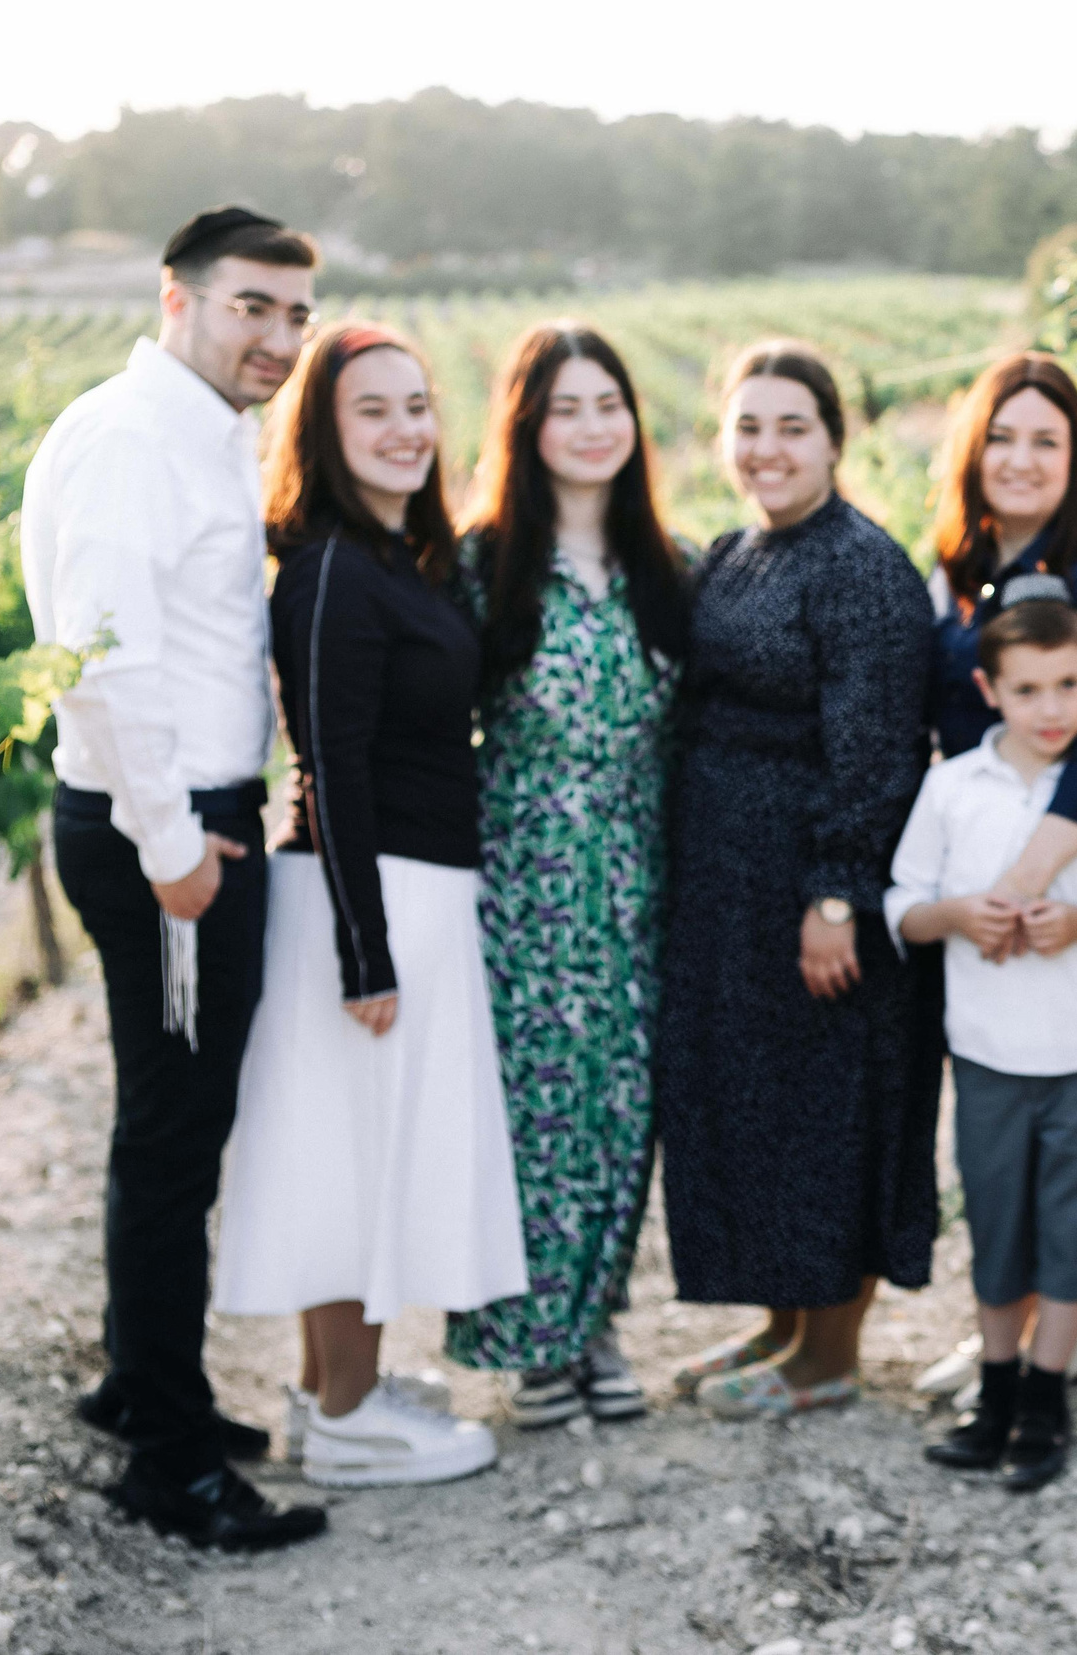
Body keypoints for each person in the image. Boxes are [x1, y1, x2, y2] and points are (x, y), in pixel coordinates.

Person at [21, 206, 327, 1548]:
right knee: (174, 1139)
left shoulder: (197, 431)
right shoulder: (139, 438)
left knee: (164, 1123)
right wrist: (172, 851)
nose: (276, 337)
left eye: (294, 315)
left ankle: (146, 1384)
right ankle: (173, 1462)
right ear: (178, 299)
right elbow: (102, 659)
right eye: (251, 306)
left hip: (184, 817)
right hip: (168, 831)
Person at [211, 324, 524, 1488]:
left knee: (360, 1153)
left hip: (407, 888)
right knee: (355, 1165)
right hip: (368, 894)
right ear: (324, 435)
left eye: (415, 406)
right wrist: (365, 952)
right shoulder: (337, 570)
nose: (404, 431)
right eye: (371, 412)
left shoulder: (395, 558)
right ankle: (347, 1421)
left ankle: (333, 1393)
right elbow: (330, 765)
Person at [660, 342, 939, 1418]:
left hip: (818, 890)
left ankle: (829, 1358)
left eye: (791, 427)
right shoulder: (735, 551)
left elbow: (875, 753)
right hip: (731, 892)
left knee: (833, 1109)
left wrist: (835, 894)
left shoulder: (861, 567)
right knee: (759, 1107)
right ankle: (782, 1328)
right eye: (747, 427)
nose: (766, 449)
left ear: (834, 440)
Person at [444, 324, 686, 1429]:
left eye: (608, 406)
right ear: (529, 426)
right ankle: (533, 1343)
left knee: (622, 1104)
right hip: (525, 870)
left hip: (637, 869)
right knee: (536, 1107)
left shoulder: (662, 568)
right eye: (566, 409)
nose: (592, 429)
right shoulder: (478, 560)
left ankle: (598, 1327)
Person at [914, 352, 1077, 1403]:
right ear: (975, 450)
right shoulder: (961, 564)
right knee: (999, 1135)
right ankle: (1005, 1340)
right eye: (1002, 437)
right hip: (984, 865)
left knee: (1074, 1123)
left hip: (1073, 863)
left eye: (1045, 441)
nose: (1020, 459)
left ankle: (1056, 1344)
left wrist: (1021, 883)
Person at [890, 581, 1077, 1490]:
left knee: (1075, 1224)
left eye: (1067, 686)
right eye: (1027, 690)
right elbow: (901, 905)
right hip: (986, 1052)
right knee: (999, 1222)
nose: (1050, 709)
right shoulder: (951, 787)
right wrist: (960, 914)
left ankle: (1049, 1395)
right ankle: (997, 1386)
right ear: (989, 690)